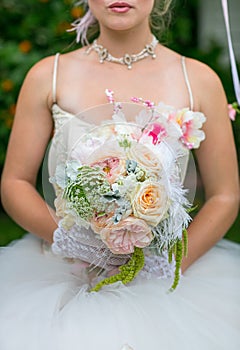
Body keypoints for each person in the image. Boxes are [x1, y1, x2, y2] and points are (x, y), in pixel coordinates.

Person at [0, 1, 240, 349]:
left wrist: (167, 267)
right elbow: (14, 183)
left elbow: (226, 195)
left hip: (163, 272)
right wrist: (71, 242)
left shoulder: (199, 80)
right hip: (63, 269)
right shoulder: (47, 75)